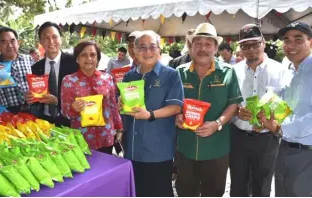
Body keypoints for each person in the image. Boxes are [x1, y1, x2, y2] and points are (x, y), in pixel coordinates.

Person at [258, 22, 312, 197]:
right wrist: (260, 116)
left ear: (311, 42)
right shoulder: (290, 71)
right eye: (286, 40)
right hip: (285, 149)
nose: (290, 45)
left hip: (309, 155)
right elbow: (282, 105)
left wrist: (280, 128)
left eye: (298, 39)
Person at [175, 23, 243, 197]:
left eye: (208, 44)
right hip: (185, 147)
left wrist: (217, 124)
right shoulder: (179, 72)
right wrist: (177, 116)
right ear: (191, 47)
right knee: (185, 192)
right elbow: (173, 103)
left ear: (215, 48)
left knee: (213, 193)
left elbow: (233, 103)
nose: (202, 49)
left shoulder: (228, 72)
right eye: (198, 44)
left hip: (216, 148)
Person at [121, 30, 184, 197]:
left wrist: (150, 114)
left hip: (158, 151)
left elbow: (176, 107)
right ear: (134, 51)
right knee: (137, 191)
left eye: (152, 47)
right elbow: (126, 107)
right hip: (133, 149)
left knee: (159, 192)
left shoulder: (171, 75)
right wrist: (122, 103)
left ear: (159, 50)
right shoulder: (129, 76)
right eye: (142, 47)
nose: (147, 52)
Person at [231, 24, 287, 197]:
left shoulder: (281, 70)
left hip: (267, 140)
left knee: (262, 186)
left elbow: (287, 105)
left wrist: (272, 121)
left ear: (263, 43)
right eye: (245, 46)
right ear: (240, 48)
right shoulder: (233, 71)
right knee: (238, 185)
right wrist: (236, 112)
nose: (251, 50)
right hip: (238, 137)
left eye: (255, 44)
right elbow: (228, 102)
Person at [60, 41, 123, 154]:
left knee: (106, 168)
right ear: (77, 59)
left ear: (98, 59)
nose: (88, 58)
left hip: (106, 136)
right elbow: (65, 112)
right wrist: (73, 108)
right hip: (82, 138)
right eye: (84, 55)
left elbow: (113, 107)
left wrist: (119, 128)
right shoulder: (68, 81)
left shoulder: (107, 78)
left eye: (93, 55)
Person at [27, 21, 78, 126]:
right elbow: (36, 96)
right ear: (40, 42)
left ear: (61, 39)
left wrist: (57, 101)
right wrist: (30, 98)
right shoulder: (36, 68)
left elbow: (81, 92)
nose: (51, 41)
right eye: (45, 38)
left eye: (55, 37)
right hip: (44, 120)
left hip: (69, 120)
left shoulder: (74, 62)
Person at [0, 27, 32, 113]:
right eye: (4, 42)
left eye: (12, 41)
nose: (10, 45)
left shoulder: (29, 59)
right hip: (8, 113)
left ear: (18, 42)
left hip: (34, 110)